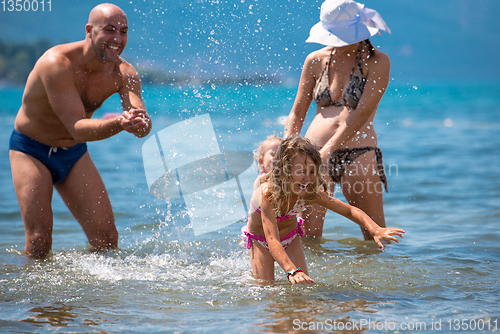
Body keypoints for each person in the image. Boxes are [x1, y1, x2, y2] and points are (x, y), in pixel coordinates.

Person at [9, 3, 152, 259]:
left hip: (72, 153)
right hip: (31, 149)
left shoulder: (124, 73)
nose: (117, 39)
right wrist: (119, 123)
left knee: (107, 240)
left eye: (123, 31)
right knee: (39, 241)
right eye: (109, 30)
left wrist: (139, 124)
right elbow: (77, 128)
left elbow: (141, 123)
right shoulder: (57, 63)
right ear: (89, 30)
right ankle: (35, 299)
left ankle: (92, 297)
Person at [283, 0, 392, 239]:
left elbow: (361, 113)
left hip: (358, 151)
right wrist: (287, 154)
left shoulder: (378, 62)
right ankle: (316, 278)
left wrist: (330, 150)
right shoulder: (315, 59)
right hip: (312, 154)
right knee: (307, 237)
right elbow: (297, 113)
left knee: (374, 234)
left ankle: (375, 278)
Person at [241, 137, 405, 285]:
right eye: (301, 172)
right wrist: (291, 270)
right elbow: (272, 239)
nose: (307, 177)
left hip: (290, 238)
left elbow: (350, 211)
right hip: (261, 240)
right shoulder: (268, 195)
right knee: (266, 289)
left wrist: (375, 229)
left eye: (312, 172)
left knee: (305, 287)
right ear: (285, 172)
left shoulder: (310, 193)